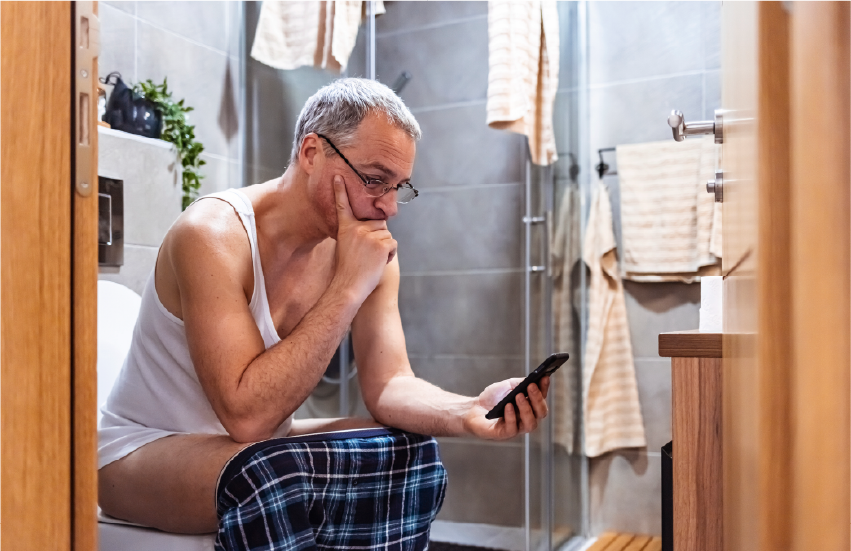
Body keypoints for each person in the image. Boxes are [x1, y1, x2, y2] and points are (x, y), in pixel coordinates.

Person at [98, 78, 550, 536]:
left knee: (409, 453)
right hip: (144, 453)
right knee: (274, 477)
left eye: (399, 187)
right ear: (312, 153)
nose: (389, 206)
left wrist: (469, 411)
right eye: (374, 180)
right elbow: (247, 417)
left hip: (255, 453)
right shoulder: (212, 235)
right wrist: (348, 286)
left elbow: (390, 383)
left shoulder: (368, 250)